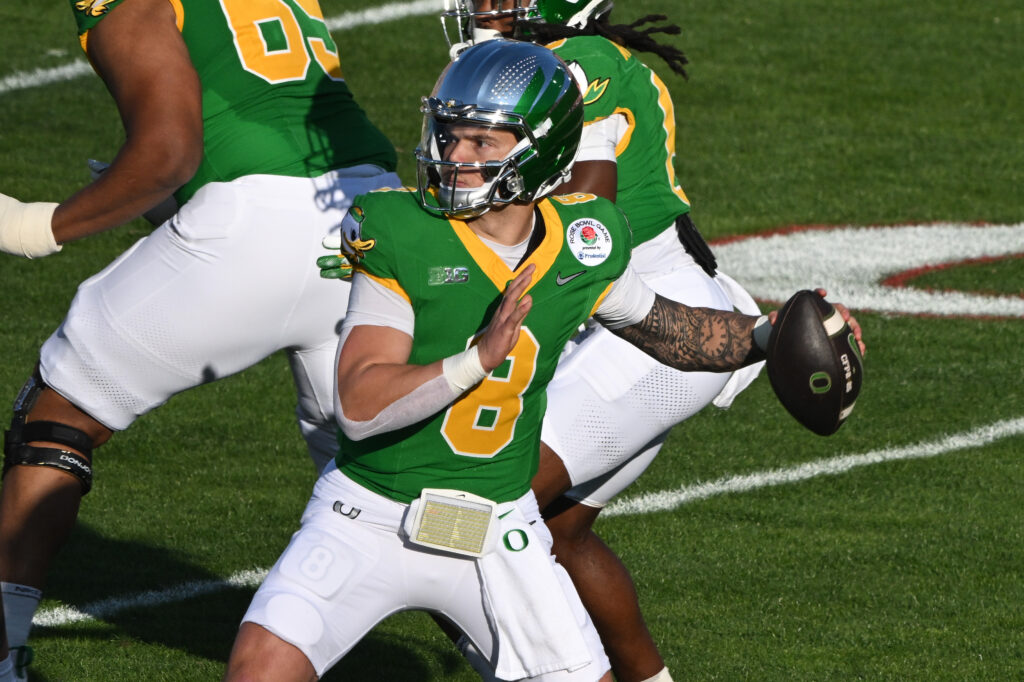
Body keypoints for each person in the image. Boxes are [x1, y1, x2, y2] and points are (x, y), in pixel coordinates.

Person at [231, 39, 863, 681]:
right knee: (259, 670)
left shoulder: (583, 242)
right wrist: (474, 360)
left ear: (542, 154)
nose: (454, 156)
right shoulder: (398, 228)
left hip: (498, 530)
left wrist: (770, 333)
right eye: (449, 135)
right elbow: (361, 405)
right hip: (367, 513)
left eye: (483, 143)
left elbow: (670, 330)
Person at [0, 1, 399, 678]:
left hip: (254, 227)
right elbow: (267, 108)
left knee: (59, 414)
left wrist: (44, 226)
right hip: (371, 217)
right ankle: (540, 658)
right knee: (402, 481)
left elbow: (168, 152)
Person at [435, 2, 771, 680]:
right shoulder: (557, 59)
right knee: (558, 534)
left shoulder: (577, 62)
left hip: (647, 325)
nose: (488, 6)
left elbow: (587, 208)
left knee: (460, 518)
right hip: (625, 314)